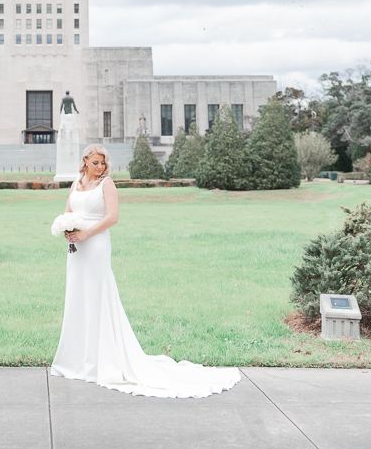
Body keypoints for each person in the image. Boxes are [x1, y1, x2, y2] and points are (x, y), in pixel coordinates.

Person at [51, 143, 241, 398]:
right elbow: (69, 211)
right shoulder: (76, 183)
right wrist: (68, 228)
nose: (100, 167)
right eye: (95, 162)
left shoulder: (107, 185)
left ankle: (100, 360)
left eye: (103, 163)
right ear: (85, 161)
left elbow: (112, 217)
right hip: (76, 251)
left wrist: (86, 232)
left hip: (95, 245)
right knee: (77, 297)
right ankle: (75, 359)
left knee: (97, 297)